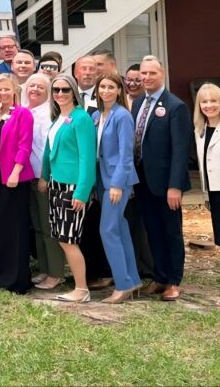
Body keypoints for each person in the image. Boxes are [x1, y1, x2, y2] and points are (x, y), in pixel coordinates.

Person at [132, 56, 190, 301]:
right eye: (143, 73)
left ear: (162, 73)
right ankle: (159, 277)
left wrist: (175, 186)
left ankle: (173, 281)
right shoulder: (138, 103)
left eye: (152, 73)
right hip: (143, 181)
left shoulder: (176, 106)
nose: (146, 77)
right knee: (152, 230)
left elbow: (180, 150)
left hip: (166, 184)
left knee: (171, 232)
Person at [39, 74, 97, 302]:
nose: (60, 94)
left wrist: (81, 192)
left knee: (68, 239)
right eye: (56, 90)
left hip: (73, 187)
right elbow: (48, 151)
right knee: (62, 237)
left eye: (65, 89)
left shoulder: (81, 119)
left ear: (74, 91)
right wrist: (44, 176)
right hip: (56, 184)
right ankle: (79, 287)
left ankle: (81, 290)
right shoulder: (59, 118)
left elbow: (87, 158)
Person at [94, 73, 143, 303]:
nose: (106, 91)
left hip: (117, 181)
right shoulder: (97, 115)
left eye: (110, 87)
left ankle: (122, 284)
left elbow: (126, 155)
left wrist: (117, 184)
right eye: (102, 87)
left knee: (107, 230)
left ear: (119, 90)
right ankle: (133, 280)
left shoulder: (122, 115)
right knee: (120, 229)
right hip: (102, 179)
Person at [0, 74, 35, 294]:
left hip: (14, 179)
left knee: (16, 229)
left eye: (7, 89)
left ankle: (18, 280)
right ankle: (4, 277)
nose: (3, 93)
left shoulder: (22, 114)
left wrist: (16, 171)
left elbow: (25, 146)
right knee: (3, 228)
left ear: (16, 90)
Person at [25, 73, 65, 290]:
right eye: (31, 85)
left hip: (43, 177)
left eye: (40, 87)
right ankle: (44, 268)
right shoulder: (25, 110)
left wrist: (45, 176)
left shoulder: (49, 114)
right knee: (38, 226)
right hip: (28, 177)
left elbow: (48, 150)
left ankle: (56, 272)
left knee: (48, 227)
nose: (34, 89)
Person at [195, 83, 220, 266]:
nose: (209, 105)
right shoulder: (199, 130)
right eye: (204, 102)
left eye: (213, 101)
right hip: (215, 191)